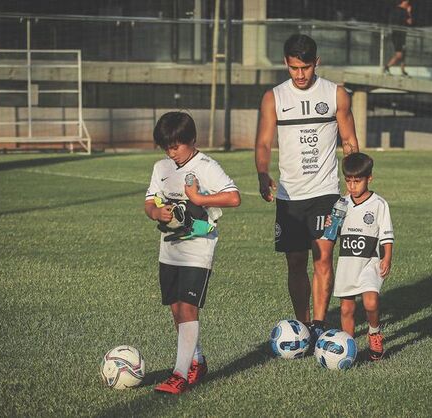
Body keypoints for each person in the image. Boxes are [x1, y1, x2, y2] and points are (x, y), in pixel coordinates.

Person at [255, 34, 359, 346]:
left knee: (323, 256)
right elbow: (262, 142)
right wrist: (262, 173)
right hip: (289, 196)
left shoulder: (336, 95)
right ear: (286, 64)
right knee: (296, 261)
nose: (300, 75)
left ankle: (318, 323)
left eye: (306, 68)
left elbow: (350, 141)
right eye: (293, 68)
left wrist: (356, 180)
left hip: (325, 191)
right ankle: (301, 325)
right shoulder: (274, 98)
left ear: (317, 63)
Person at [145, 111, 240, 394]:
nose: (171, 152)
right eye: (166, 147)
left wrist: (199, 198)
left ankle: (179, 374)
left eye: (176, 146)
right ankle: (197, 361)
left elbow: (234, 197)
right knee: (176, 310)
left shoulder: (207, 166)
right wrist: (156, 213)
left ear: (192, 140)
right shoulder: (161, 168)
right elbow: (149, 202)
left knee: (188, 308)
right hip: (169, 249)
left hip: (198, 248)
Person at [332, 152, 394, 361]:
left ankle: (374, 333)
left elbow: (387, 235)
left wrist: (387, 258)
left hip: (370, 261)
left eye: (357, 181)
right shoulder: (342, 203)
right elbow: (334, 230)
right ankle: (348, 348)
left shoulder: (379, 204)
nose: (352, 186)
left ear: (369, 178)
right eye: (348, 181)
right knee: (347, 308)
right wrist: (330, 226)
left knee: (370, 302)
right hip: (347, 262)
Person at [384, 0, 413, 77]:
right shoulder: (404, 11)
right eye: (407, 2)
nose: (409, 4)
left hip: (401, 34)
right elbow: (410, 22)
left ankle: (403, 71)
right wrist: (409, 12)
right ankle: (386, 67)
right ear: (404, 2)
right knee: (399, 54)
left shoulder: (395, 10)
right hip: (398, 35)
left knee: (403, 53)